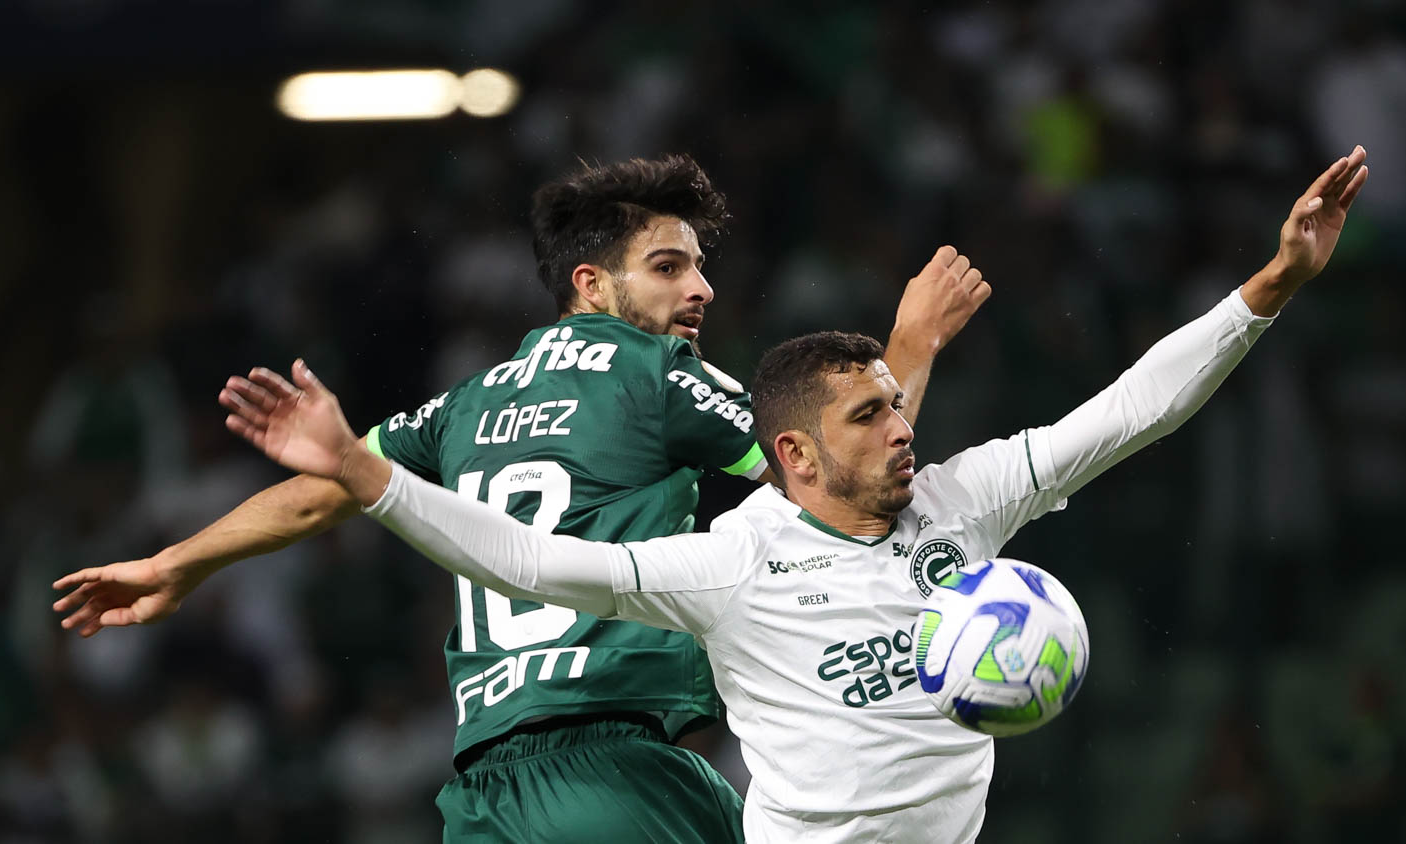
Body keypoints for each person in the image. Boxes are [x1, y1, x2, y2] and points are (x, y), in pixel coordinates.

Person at [193, 147, 1367, 842]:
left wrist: (1271, 281)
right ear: (792, 456)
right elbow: (537, 563)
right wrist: (371, 478)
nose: (906, 425)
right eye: (873, 413)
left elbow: (1131, 409)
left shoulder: (962, 505)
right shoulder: (734, 557)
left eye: (899, 406)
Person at [52, 154, 989, 842]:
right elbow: (837, 471)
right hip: (615, 775)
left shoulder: (465, 401)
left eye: (701, 266)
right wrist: (912, 345)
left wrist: (178, 562)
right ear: (592, 282)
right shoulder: (655, 374)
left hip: (481, 794)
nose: (701, 289)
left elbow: (320, 493)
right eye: (669, 266)